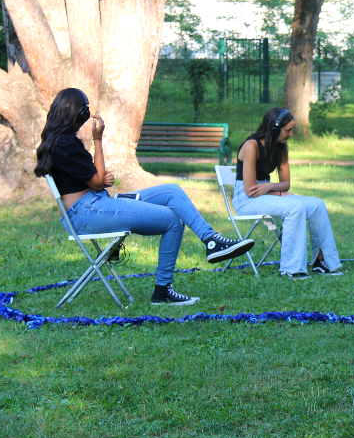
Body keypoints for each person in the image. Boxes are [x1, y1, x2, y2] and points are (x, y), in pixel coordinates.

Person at [34, 88, 255, 306]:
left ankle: (211, 240)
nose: (88, 114)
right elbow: (98, 181)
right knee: (172, 220)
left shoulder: (60, 142)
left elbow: (93, 179)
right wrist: (98, 139)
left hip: (94, 206)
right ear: (77, 113)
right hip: (88, 212)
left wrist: (98, 178)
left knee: (171, 191)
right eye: (86, 109)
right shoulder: (66, 144)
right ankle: (162, 291)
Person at [233, 107, 343, 279]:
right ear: (274, 130)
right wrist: (276, 193)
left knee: (317, 205)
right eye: (288, 130)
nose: (291, 134)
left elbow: (286, 184)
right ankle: (292, 269)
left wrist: (271, 188)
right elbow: (250, 190)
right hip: (247, 200)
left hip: (266, 193)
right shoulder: (251, 146)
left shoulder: (280, 147)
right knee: (294, 206)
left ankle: (323, 262)